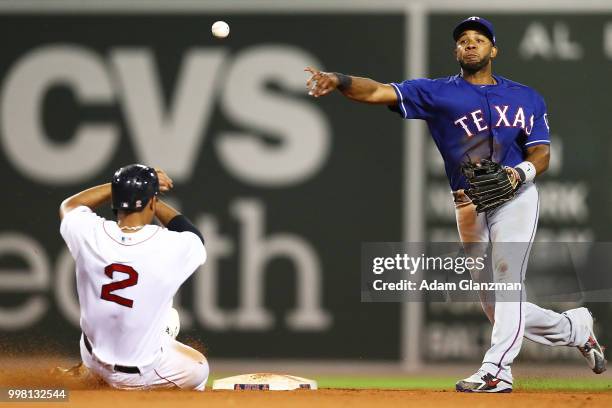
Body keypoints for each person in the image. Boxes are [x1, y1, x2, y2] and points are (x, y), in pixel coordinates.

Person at [305, 16, 606, 393]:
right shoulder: (436, 92)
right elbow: (377, 91)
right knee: (496, 305)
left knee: (508, 277)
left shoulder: (526, 96)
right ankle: (574, 328)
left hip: (515, 195)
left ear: (493, 49)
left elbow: (541, 151)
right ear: (456, 50)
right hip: (468, 203)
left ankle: (496, 371)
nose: (470, 44)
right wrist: (340, 80)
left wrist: (520, 174)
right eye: (463, 39)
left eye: (479, 39)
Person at [59, 164, 209, 390]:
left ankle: (87, 372)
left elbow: (70, 205)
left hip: (92, 355)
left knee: (169, 318)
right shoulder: (168, 246)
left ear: (115, 200)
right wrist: (149, 194)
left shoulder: (89, 233)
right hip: (137, 375)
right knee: (200, 368)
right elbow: (194, 235)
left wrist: (123, 188)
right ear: (151, 203)